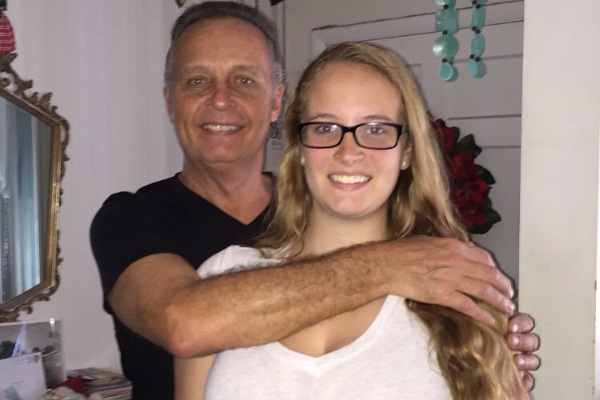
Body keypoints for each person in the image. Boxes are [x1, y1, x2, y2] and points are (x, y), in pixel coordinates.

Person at [89, 2, 539, 399]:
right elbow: (185, 325)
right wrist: (393, 265)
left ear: (276, 103)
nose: (220, 99)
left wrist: (486, 351)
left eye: (243, 79)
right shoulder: (140, 223)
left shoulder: (443, 281)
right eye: (197, 80)